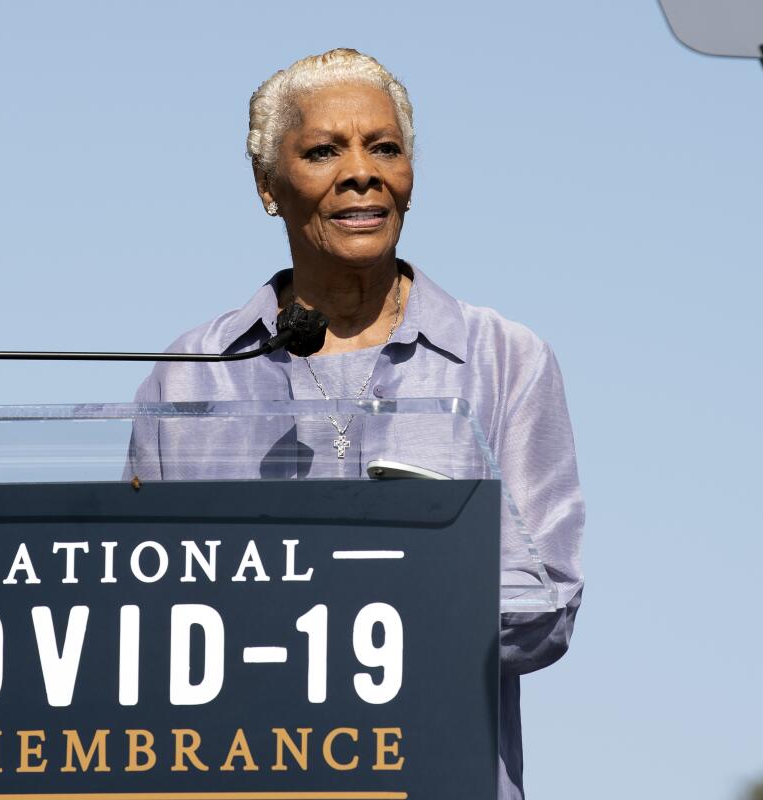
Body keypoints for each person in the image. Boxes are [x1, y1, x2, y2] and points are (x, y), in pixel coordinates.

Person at [127, 48, 584, 800]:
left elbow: (545, 608)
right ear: (268, 188)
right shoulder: (195, 372)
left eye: (385, 147)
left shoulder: (504, 360)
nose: (361, 172)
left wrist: (347, 622)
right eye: (321, 151)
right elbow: (145, 624)